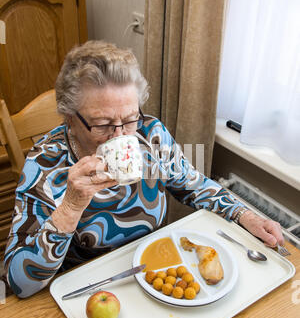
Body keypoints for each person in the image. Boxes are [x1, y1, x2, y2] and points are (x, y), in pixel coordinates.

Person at [4, 41, 284, 298]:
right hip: (87, 289)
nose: (120, 137)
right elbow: (19, 283)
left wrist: (244, 214)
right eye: (102, 124)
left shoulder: (151, 134)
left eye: (129, 119)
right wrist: (70, 208)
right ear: (69, 119)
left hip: (154, 269)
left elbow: (194, 185)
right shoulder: (45, 163)